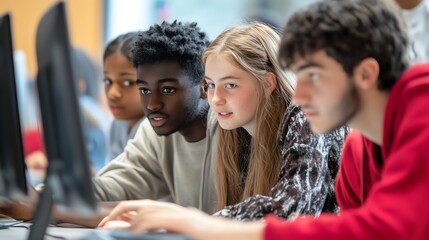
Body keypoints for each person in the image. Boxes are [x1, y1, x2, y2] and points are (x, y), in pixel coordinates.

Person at [98, 0, 429, 239]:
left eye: (312, 76)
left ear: (366, 73)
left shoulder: (422, 106)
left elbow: (387, 228)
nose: (299, 96)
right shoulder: (358, 154)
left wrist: (198, 224)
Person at [99, 21, 348, 225]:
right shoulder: (237, 129)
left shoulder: (306, 114)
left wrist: (184, 220)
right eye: (211, 85)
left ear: (268, 83)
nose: (215, 99)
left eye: (230, 85)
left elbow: (293, 209)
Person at [92, 20, 219, 215]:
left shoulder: (230, 128)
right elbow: (114, 186)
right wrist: (42, 197)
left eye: (167, 90)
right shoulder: (155, 132)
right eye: (144, 90)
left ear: (204, 87)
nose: (152, 104)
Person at [102, 32, 145, 160]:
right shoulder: (118, 124)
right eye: (108, 81)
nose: (112, 93)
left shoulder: (155, 131)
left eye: (127, 82)